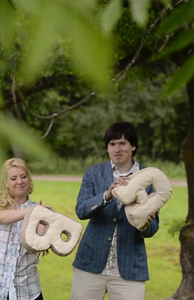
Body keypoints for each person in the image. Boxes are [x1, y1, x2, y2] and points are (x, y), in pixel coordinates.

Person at [70, 122, 159, 300]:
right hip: (90, 264)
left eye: (122, 143)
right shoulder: (93, 174)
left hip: (129, 268)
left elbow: (153, 228)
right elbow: (81, 210)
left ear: (133, 146)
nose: (117, 148)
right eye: (112, 144)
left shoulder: (150, 178)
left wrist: (144, 223)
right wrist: (107, 195)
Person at [0, 158, 48, 300]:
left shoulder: (39, 211)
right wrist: (31, 212)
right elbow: (0, 217)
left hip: (27, 290)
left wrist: (46, 222)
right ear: (6, 182)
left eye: (23, 176)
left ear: (29, 179)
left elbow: (41, 241)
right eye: (13, 178)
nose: (19, 181)